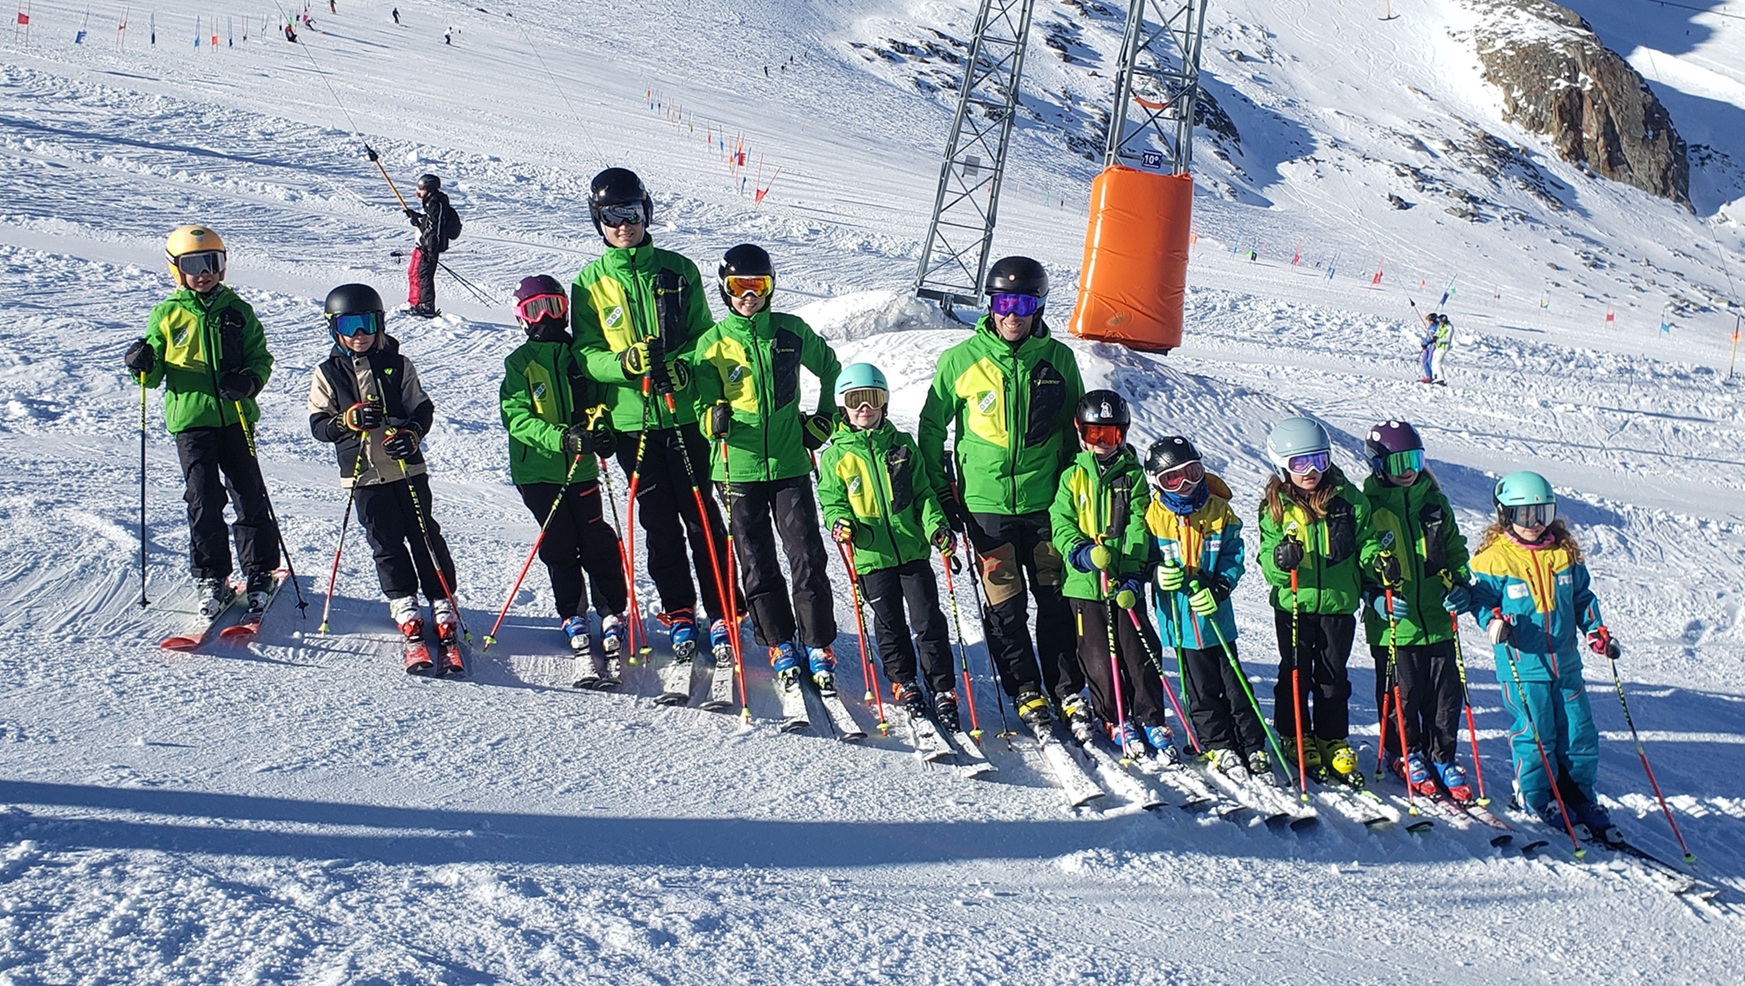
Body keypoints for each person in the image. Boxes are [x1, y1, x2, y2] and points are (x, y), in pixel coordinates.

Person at [570, 167, 734, 663]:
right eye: (612, 216)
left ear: (647, 213)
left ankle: (724, 609)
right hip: (631, 422)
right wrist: (623, 364)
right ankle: (678, 609)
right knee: (658, 521)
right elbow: (586, 353)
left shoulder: (678, 270)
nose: (624, 225)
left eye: (632, 213)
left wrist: (682, 368)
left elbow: (705, 337)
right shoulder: (590, 284)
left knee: (702, 514)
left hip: (683, 415)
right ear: (598, 220)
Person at [918, 256, 1085, 731]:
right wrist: (942, 492)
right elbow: (931, 428)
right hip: (986, 508)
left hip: (1046, 505)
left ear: (1039, 307)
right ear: (990, 305)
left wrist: (1074, 495)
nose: (1012, 314)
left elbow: (1073, 433)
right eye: (1003, 303)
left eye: (1024, 304)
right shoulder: (961, 360)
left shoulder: (1059, 360)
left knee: (1056, 601)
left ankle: (1066, 689)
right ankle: (1024, 689)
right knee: (1005, 606)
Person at [690, 244, 841, 686]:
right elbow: (700, 407)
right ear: (725, 289)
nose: (749, 296)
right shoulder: (712, 345)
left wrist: (825, 418)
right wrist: (711, 419)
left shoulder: (790, 331)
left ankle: (817, 641)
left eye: (758, 285)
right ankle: (778, 639)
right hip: (737, 467)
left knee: (807, 554)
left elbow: (831, 371)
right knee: (755, 558)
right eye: (739, 286)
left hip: (790, 462)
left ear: (771, 287)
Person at [125, 225, 280, 619]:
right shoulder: (167, 314)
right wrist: (141, 362)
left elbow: (260, 358)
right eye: (194, 265)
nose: (204, 273)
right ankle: (212, 575)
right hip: (191, 421)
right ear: (176, 269)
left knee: (248, 492)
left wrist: (249, 382)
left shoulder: (238, 311)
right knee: (203, 497)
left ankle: (259, 570)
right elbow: (152, 374)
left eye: (212, 262)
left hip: (236, 416)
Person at [307, 283, 461, 669]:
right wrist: (347, 420)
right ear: (334, 329)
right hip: (364, 475)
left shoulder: (398, 364)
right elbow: (319, 425)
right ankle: (404, 602)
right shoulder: (327, 373)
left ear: (380, 324)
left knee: (424, 534)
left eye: (367, 323)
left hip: (407, 469)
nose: (359, 334)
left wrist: (412, 434)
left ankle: (442, 600)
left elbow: (422, 408)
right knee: (385, 541)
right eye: (349, 326)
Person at [1467, 471, 1621, 843]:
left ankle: (1578, 796)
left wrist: (1595, 631)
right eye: (1524, 515)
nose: (1535, 523)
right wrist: (1493, 621)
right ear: (1506, 515)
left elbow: (1582, 599)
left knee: (1580, 733)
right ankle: (1535, 797)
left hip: (1565, 663)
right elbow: (1481, 601)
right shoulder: (1493, 560)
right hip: (1523, 666)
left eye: (1543, 513)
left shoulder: (1564, 555)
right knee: (1537, 735)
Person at [498, 275, 630, 687]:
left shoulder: (580, 356)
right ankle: (572, 612)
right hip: (537, 472)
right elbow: (517, 417)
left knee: (595, 537)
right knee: (558, 541)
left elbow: (603, 400)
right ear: (522, 317)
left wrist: (602, 432)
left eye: (553, 307)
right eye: (536, 310)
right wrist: (561, 438)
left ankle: (611, 610)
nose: (547, 318)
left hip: (582, 468)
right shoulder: (520, 364)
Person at [815, 363, 960, 726]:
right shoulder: (836, 457)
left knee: (928, 618)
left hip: (912, 550)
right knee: (889, 622)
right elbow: (832, 501)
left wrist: (936, 526)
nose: (865, 408)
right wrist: (840, 523)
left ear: (885, 402)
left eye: (873, 398)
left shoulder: (902, 445)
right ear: (843, 406)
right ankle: (903, 680)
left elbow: (923, 493)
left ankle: (942, 686)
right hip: (871, 555)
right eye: (856, 400)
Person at [1255, 417, 1381, 786]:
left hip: (1338, 605)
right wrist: (1281, 562)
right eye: (1300, 463)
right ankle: (1294, 733)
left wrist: (1377, 563)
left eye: (1319, 461)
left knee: (1332, 675)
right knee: (1295, 672)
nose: (1310, 471)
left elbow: (1367, 542)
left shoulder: (1348, 500)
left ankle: (1331, 738)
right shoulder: (1276, 507)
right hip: (1294, 604)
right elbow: (1267, 561)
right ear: (1282, 465)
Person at [1049, 390, 1173, 760]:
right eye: (1095, 434)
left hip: (1122, 584)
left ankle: (1150, 716)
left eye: (1112, 434)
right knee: (1098, 655)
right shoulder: (1072, 476)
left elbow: (1139, 525)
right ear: (1080, 432)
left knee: (1139, 649)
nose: (1103, 442)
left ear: (1124, 434)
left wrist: (1133, 572)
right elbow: (1061, 520)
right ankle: (1113, 716)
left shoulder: (1133, 477)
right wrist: (1080, 552)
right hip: (1085, 585)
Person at [1143, 435, 1270, 782]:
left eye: (1193, 473)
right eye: (1173, 478)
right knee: (1200, 689)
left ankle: (1252, 742)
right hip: (1181, 621)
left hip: (1216, 617)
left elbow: (1233, 556)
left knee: (1235, 684)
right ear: (1157, 482)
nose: (1185, 484)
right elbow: (1141, 557)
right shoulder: (1152, 517)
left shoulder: (1219, 510)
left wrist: (1220, 587)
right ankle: (1218, 743)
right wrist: (1155, 573)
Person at [1359, 420, 1473, 801]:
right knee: (1402, 695)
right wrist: (1376, 596)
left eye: (1414, 460)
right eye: (1398, 463)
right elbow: (1361, 561)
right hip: (1396, 624)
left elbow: (1455, 551)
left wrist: (1460, 585)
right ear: (1378, 465)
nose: (1408, 470)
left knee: (1444, 695)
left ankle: (1442, 755)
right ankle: (1404, 752)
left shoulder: (1434, 504)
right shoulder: (1369, 508)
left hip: (1438, 618)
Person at [404, 173, 455, 318]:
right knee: (417, 273)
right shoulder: (431, 202)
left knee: (424, 275)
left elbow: (435, 228)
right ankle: (418, 303)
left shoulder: (435, 204)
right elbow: (429, 224)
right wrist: (416, 218)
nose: (418, 191)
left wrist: (431, 248)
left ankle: (427, 306)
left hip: (430, 247)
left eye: (421, 187)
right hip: (425, 245)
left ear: (430, 188)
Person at [1419, 312, 1452, 385]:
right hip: (1428, 345)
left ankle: (1433, 376)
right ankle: (1428, 376)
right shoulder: (1430, 327)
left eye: (1430, 320)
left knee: (1431, 361)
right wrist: (1424, 343)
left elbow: (1439, 336)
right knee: (1424, 360)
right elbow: (1428, 336)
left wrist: (1435, 340)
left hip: (1433, 345)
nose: (1429, 322)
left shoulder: (1437, 326)